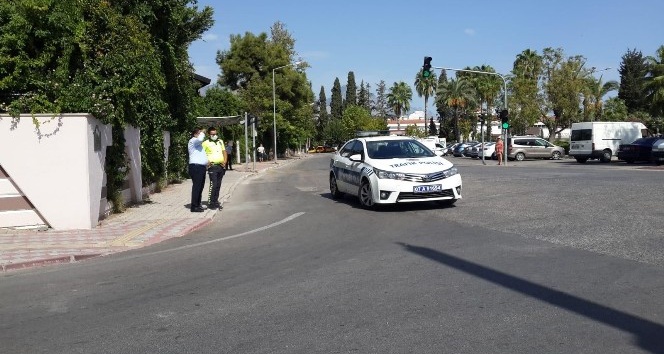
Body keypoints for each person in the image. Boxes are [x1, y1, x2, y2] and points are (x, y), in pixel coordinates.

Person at [202, 127, 227, 210]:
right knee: (214, 184)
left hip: (221, 166)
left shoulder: (220, 141)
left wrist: (225, 161)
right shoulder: (205, 143)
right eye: (212, 134)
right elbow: (201, 153)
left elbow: (224, 152)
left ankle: (216, 202)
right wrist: (207, 162)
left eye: (215, 134)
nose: (214, 135)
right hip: (212, 167)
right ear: (209, 134)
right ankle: (211, 202)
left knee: (218, 185)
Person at [188, 128, 208, 212]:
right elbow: (200, 139)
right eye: (199, 133)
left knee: (200, 186)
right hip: (196, 167)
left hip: (201, 167)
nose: (201, 135)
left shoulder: (198, 143)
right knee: (197, 186)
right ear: (195, 134)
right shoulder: (193, 141)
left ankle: (198, 204)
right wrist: (202, 132)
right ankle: (194, 206)